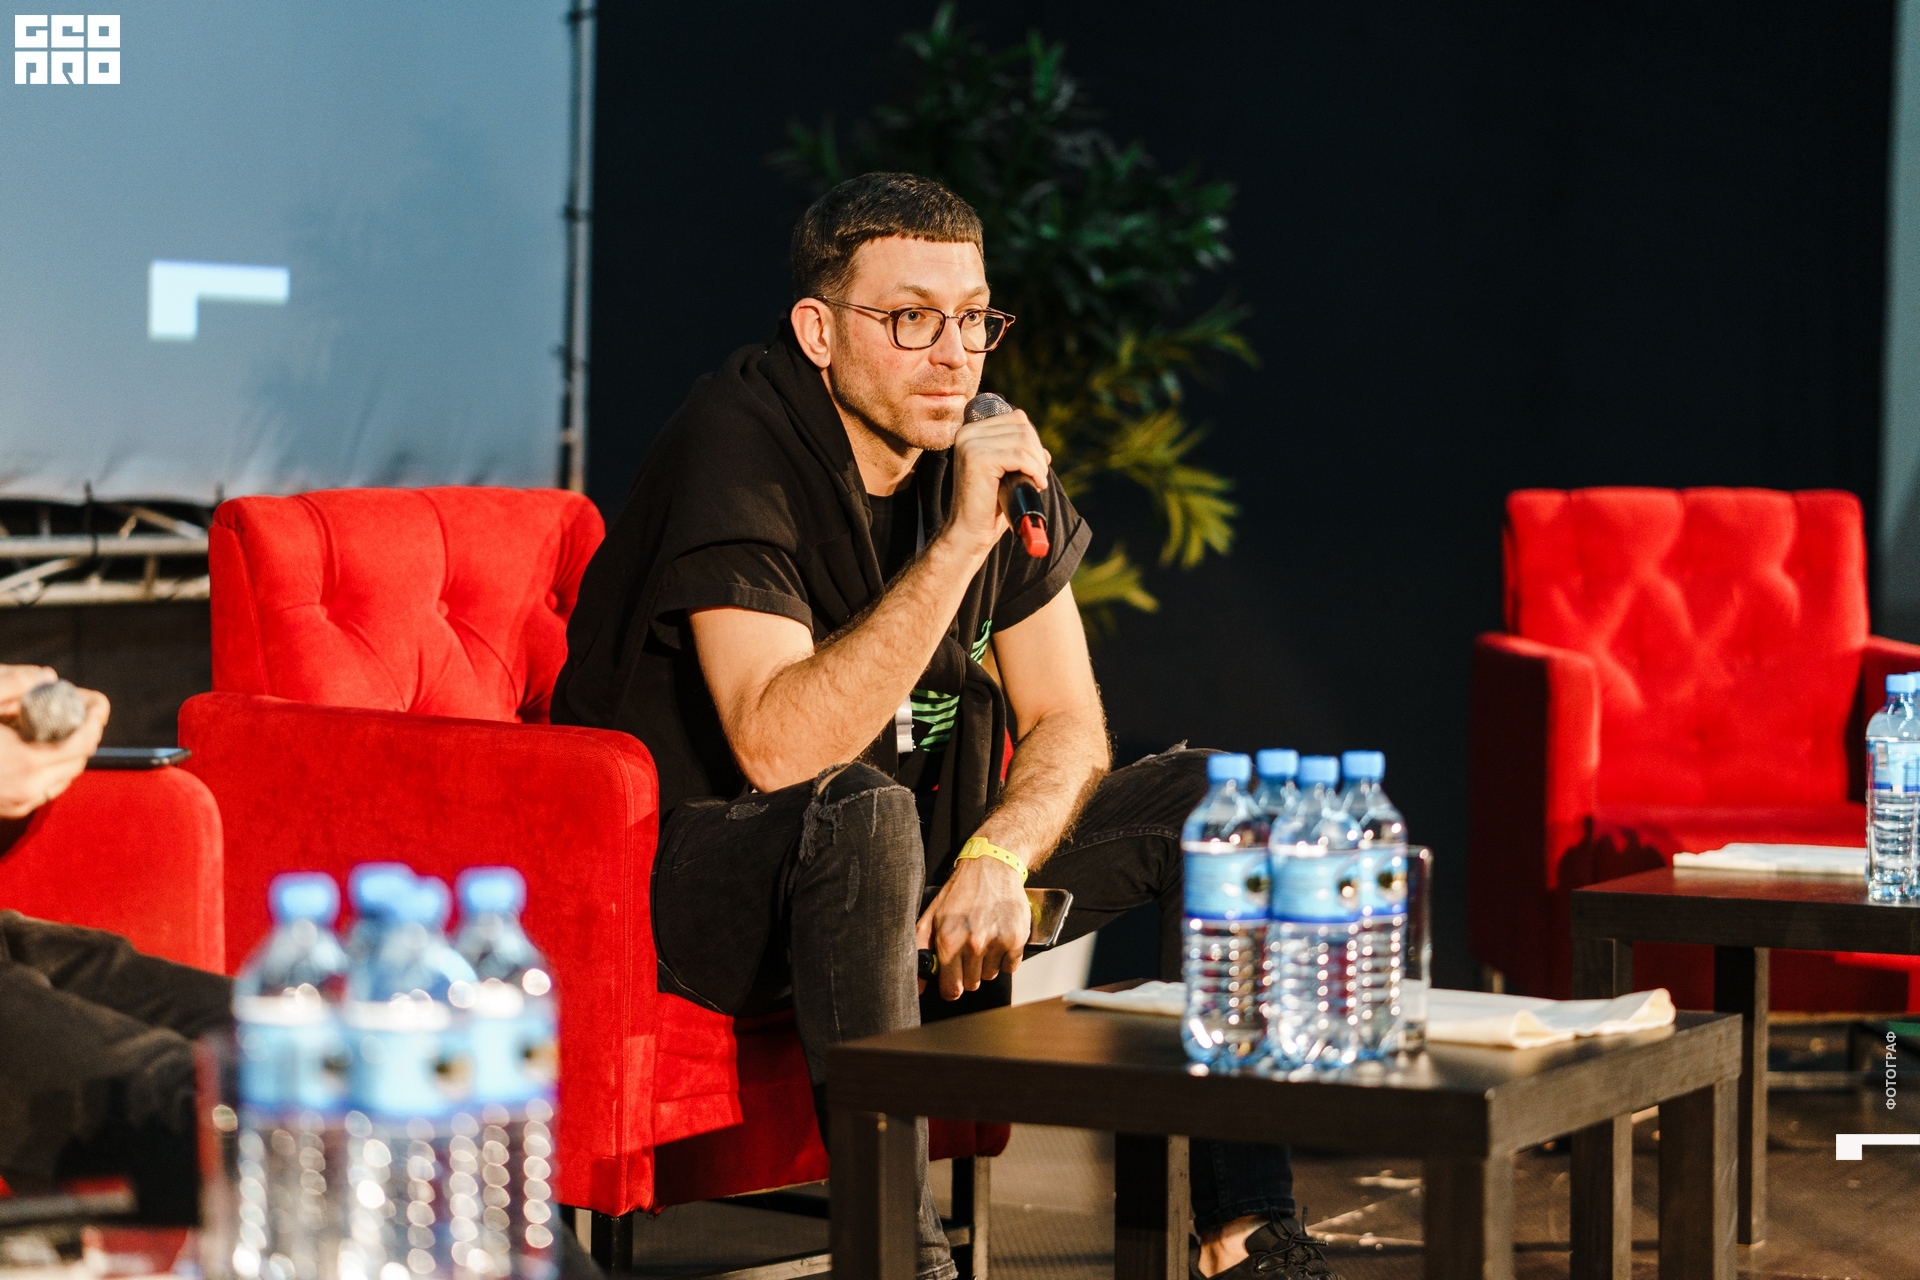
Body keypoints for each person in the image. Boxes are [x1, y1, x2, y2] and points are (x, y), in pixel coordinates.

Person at [554, 173, 1337, 1280]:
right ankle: (901, 1260)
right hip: (702, 884)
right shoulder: (736, 441)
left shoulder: (984, 452)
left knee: (1227, 801)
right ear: (819, 331)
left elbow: (1068, 717)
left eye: (973, 319)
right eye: (912, 319)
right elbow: (778, 750)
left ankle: (1242, 1234)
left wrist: (997, 855)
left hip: (902, 860)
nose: (955, 356)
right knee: (863, 811)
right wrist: (960, 543)